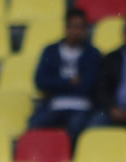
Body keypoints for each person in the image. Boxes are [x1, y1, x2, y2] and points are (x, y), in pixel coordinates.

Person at [29, 8, 102, 141]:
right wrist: (69, 81)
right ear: (66, 27)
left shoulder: (93, 54)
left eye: (80, 27)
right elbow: (40, 81)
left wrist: (56, 84)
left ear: (85, 29)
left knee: (76, 129)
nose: (76, 31)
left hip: (82, 106)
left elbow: (90, 84)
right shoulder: (50, 51)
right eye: (73, 26)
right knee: (34, 127)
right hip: (54, 104)